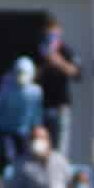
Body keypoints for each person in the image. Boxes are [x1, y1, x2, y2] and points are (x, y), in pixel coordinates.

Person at [4, 124, 71, 188]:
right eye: (35, 138)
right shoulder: (22, 165)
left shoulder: (60, 160)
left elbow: (70, 183)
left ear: (48, 141)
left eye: (42, 138)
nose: (38, 141)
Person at [34, 16, 81, 150]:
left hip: (61, 106)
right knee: (41, 147)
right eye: (48, 33)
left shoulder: (66, 50)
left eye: (54, 32)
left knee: (60, 147)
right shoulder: (39, 51)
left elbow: (77, 73)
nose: (51, 36)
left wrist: (58, 62)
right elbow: (30, 78)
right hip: (41, 107)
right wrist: (45, 63)